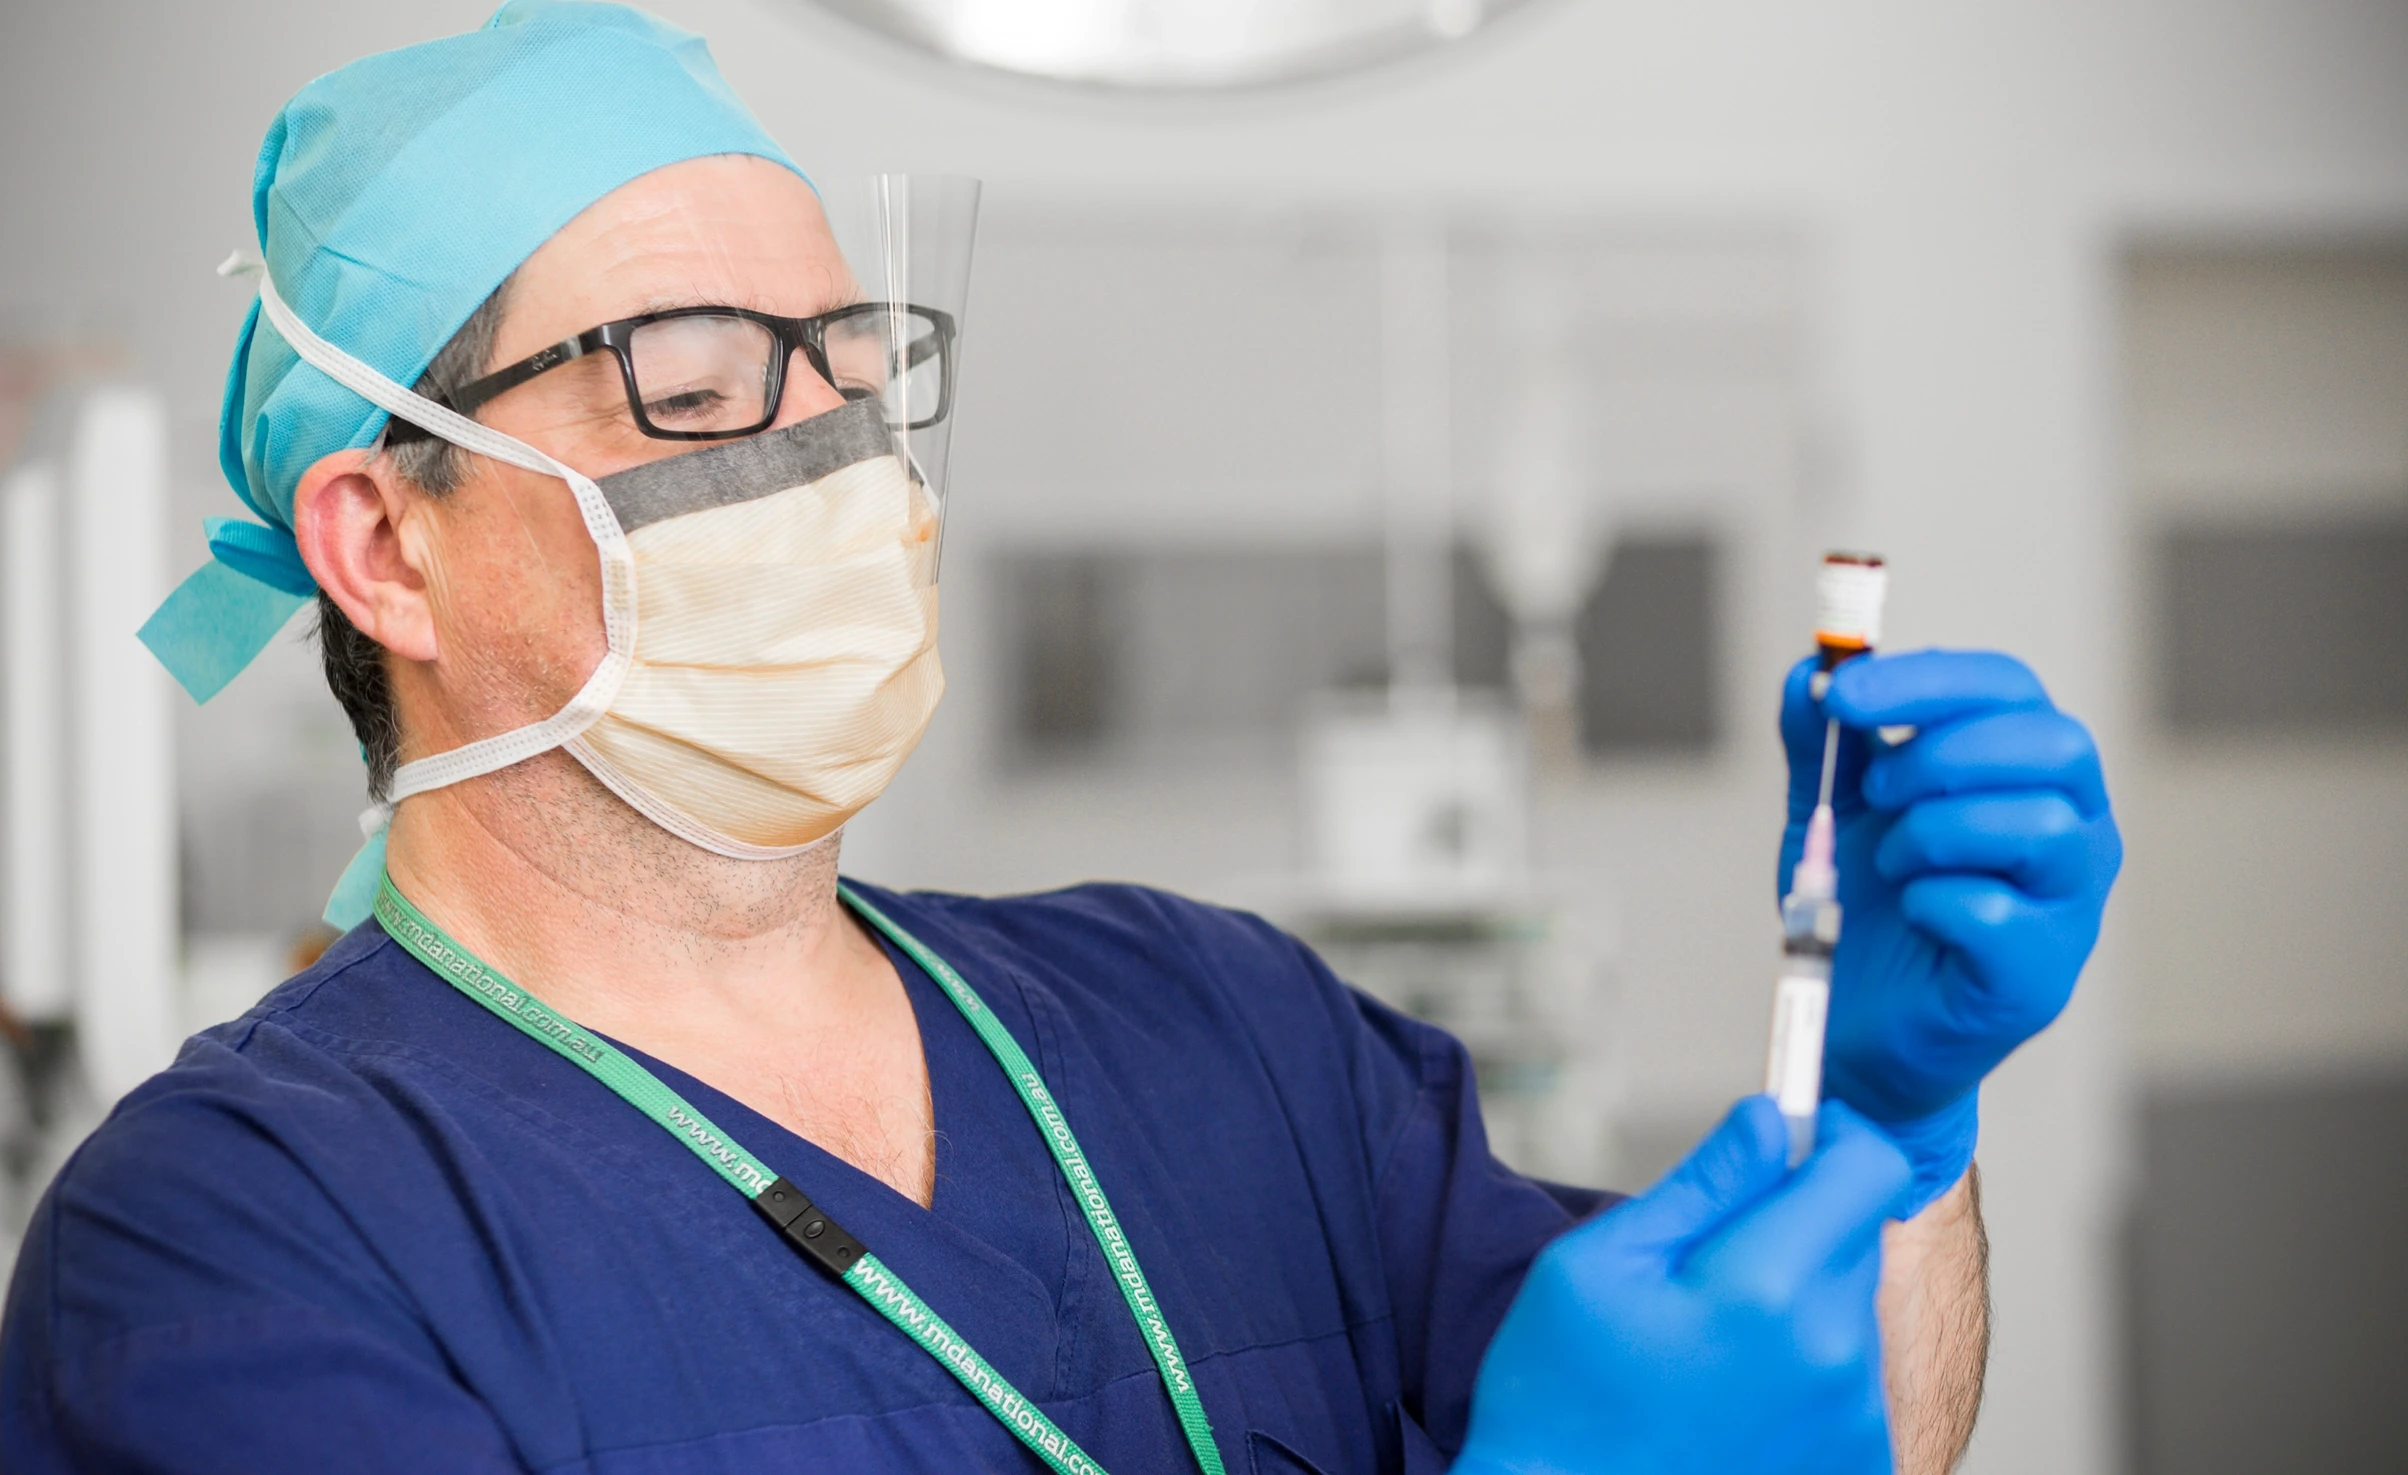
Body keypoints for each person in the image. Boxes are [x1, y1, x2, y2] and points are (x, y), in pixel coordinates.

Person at [0, 5, 2120, 1473]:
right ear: (389, 542)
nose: (832, 454)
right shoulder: (236, 1238)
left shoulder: (1212, 1029)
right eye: (701, 378)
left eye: (849, 366)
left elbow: (1845, 1431)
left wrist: (1886, 1137)